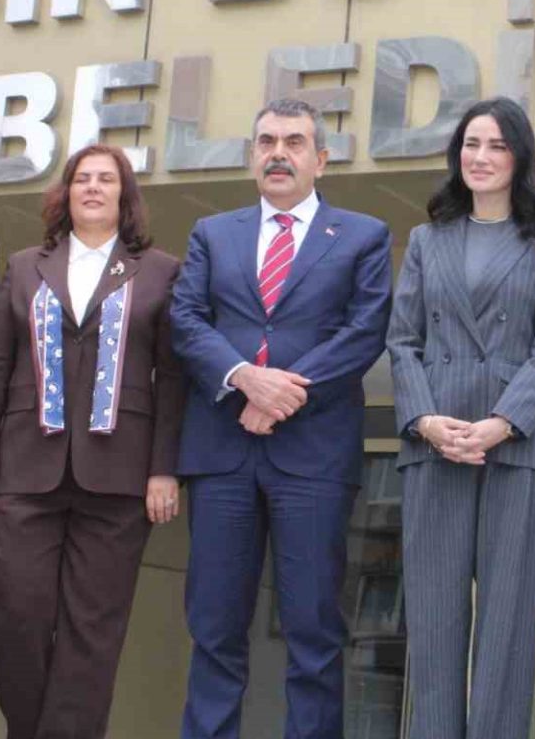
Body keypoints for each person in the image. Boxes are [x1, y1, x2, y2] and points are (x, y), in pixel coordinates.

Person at [171, 97, 392, 739]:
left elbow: (363, 332)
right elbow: (186, 320)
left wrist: (282, 395)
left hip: (314, 457)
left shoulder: (364, 236)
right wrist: (245, 378)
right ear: (251, 156)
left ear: (321, 159)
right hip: (223, 455)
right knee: (214, 626)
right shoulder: (213, 233)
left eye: (294, 142)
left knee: (314, 630)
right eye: (267, 141)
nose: (278, 154)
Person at [0, 144, 185, 738]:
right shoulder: (25, 266)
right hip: (24, 468)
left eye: (106, 179)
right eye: (82, 178)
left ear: (124, 196)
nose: (93, 188)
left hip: (119, 475)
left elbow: (173, 376)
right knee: (17, 612)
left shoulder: (159, 270)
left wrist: (164, 469)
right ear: (65, 192)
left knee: (93, 630)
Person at [386, 98, 535, 739]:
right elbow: (403, 341)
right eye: (472, 143)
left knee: (508, 628)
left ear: (519, 157)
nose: (482, 157)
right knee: (434, 623)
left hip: (520, 450)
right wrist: (424, 421)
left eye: (497, 145)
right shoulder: (427, 239)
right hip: (435, 445)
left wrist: (502, 423)